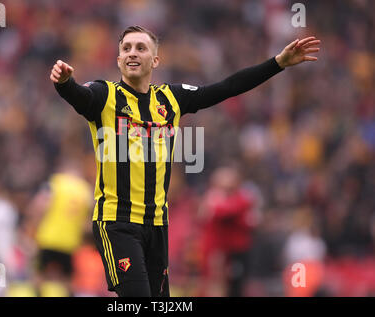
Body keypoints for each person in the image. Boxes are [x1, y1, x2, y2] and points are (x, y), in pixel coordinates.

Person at [49, 25, 320, 297]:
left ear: (155, 60)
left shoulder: (171, 98)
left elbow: (226, 88)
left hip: (156, 224)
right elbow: (78, 97)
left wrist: (278, 63)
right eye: (126, 48)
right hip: (116, 223)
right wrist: (64, 83)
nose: (132, 53)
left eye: (141, 48)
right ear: (119, 59)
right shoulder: (104, 95)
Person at [26, 160, 92, 296]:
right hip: (71, 241)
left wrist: (33, 223)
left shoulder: (56, 182)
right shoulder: (85, 190)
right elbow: (88, 219)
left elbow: (40, 204)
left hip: (49, 237)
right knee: (68, 279)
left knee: (39, 274)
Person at [199, 165, 257, 296]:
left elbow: (250, 220)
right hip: (216, 251)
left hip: (236, 251)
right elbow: (221, 212)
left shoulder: (241, 197)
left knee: (235, 286)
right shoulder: (213, 197)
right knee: (215, 283)